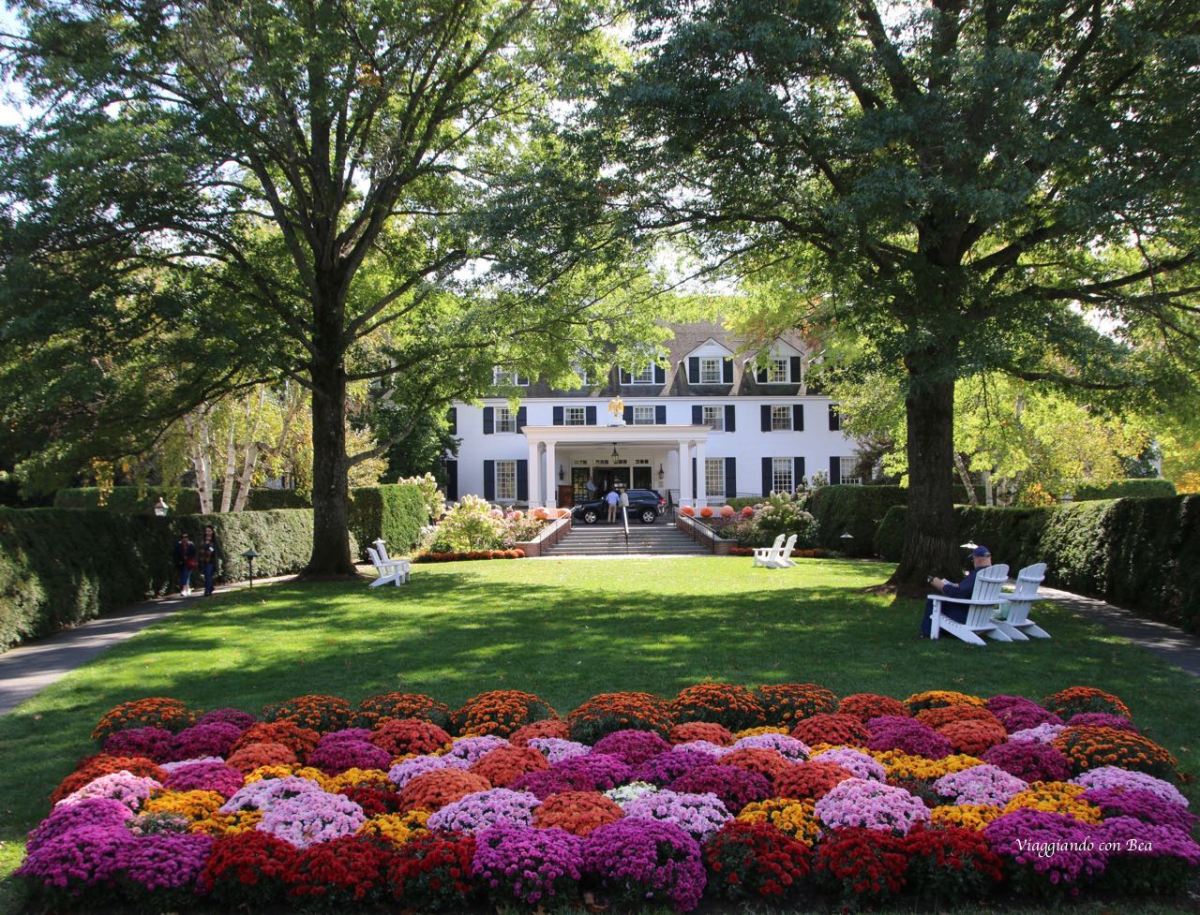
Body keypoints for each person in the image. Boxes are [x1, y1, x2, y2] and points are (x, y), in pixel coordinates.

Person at [920, 545, 993, 638]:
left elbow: (958, 594)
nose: (973, 562)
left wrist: (941, 585)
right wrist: (957, 586)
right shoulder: (992, 574)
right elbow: (966, 589)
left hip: (967, 615)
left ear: (978, 559)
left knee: (933, 600)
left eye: (973, 559)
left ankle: (926, 633)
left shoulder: (978, 574)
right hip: (982, 616)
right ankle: (943, 630)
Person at [173, 532, 198, 597]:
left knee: (186, 574)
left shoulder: (191, 545)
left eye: (186, 537)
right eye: (183, 537)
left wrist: (189, 557)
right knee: (184, 576)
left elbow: (194, 554)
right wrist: (179, 560)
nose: (185, 539)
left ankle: (183, 589)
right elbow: (176, 554)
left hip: (189, 563)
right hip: (181, 563)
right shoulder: (178, 545)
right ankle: (188, 588)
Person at [198, 524, 220, 597]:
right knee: (207, 576)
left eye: (209, 531)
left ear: (212, 532)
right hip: (203, 560)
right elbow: (200, 549)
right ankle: (210, 587)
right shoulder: (202, 540)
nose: (207, 532)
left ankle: (207, 591)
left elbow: (216, 550)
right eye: (206, 531)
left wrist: (211, 550)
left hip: (211, 561)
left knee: (208, 575)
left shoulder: (214, 540)